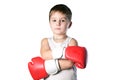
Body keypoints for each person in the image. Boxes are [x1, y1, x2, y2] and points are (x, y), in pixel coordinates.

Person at [28, 4, 86, 80]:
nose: (58, 23)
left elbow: (70, 63)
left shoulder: (72, 41)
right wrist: (65, 54)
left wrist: (47, 67)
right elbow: (45, 55)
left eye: (62, 20)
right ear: (49, 23)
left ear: (70, 24)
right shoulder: (45, 41)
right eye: (54, 20)